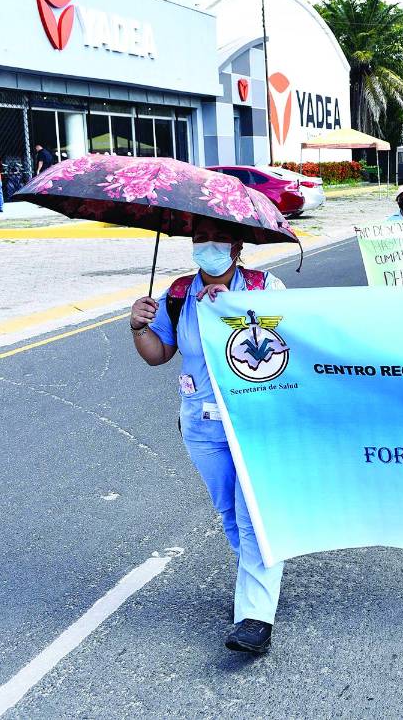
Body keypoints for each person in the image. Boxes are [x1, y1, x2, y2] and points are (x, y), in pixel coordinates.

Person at [129, 217, 287, 655]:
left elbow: (292, 344)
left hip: (256, 423)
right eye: (200, 239)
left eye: (219, 239)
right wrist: (139, 327)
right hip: (201, 423)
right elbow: (158, 355)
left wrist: (236, 310)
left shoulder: (264, 286)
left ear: (238, 246)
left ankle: (255, 615)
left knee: (252, 513)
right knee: (228, 513)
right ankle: (256, 579)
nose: (208, 246)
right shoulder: (178, 294)